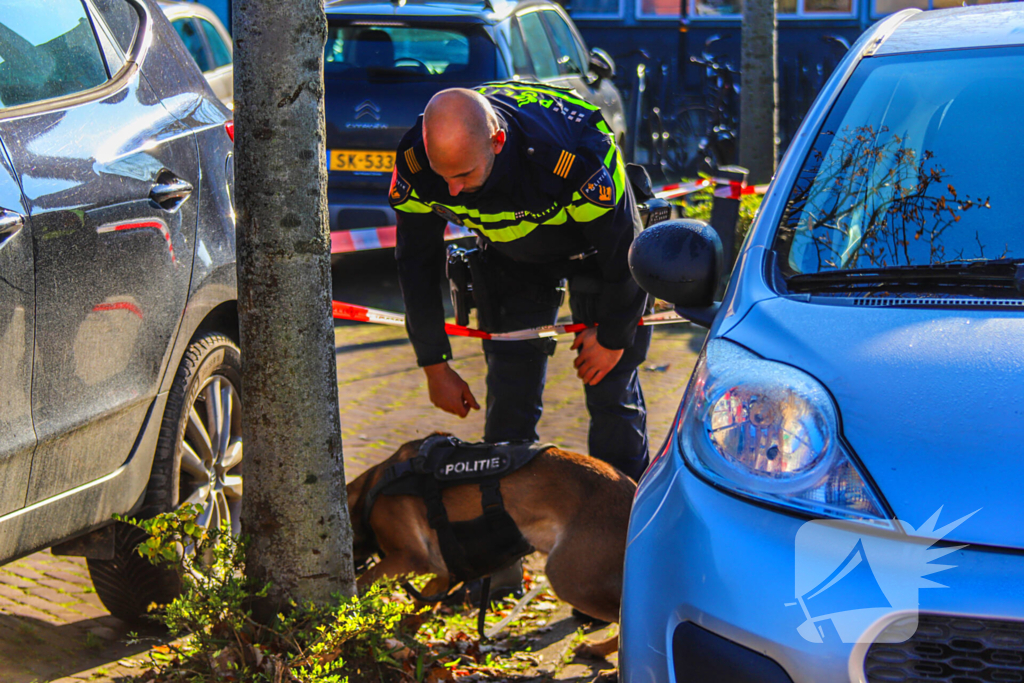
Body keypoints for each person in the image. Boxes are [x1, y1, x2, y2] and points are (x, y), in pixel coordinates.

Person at [390, 83, 651, 483]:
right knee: (510, 399)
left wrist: (614, 338)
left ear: (497, 141)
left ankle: (627, 517)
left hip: (598, 257)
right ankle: (505, 528)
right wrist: (433, 363)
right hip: (512, 258)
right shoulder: (415, 161)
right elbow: (415, 263)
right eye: (443, 177)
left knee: (612, 395)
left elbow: (628, 254)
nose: (453, 190)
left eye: (463, 174)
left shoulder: (575, 154)